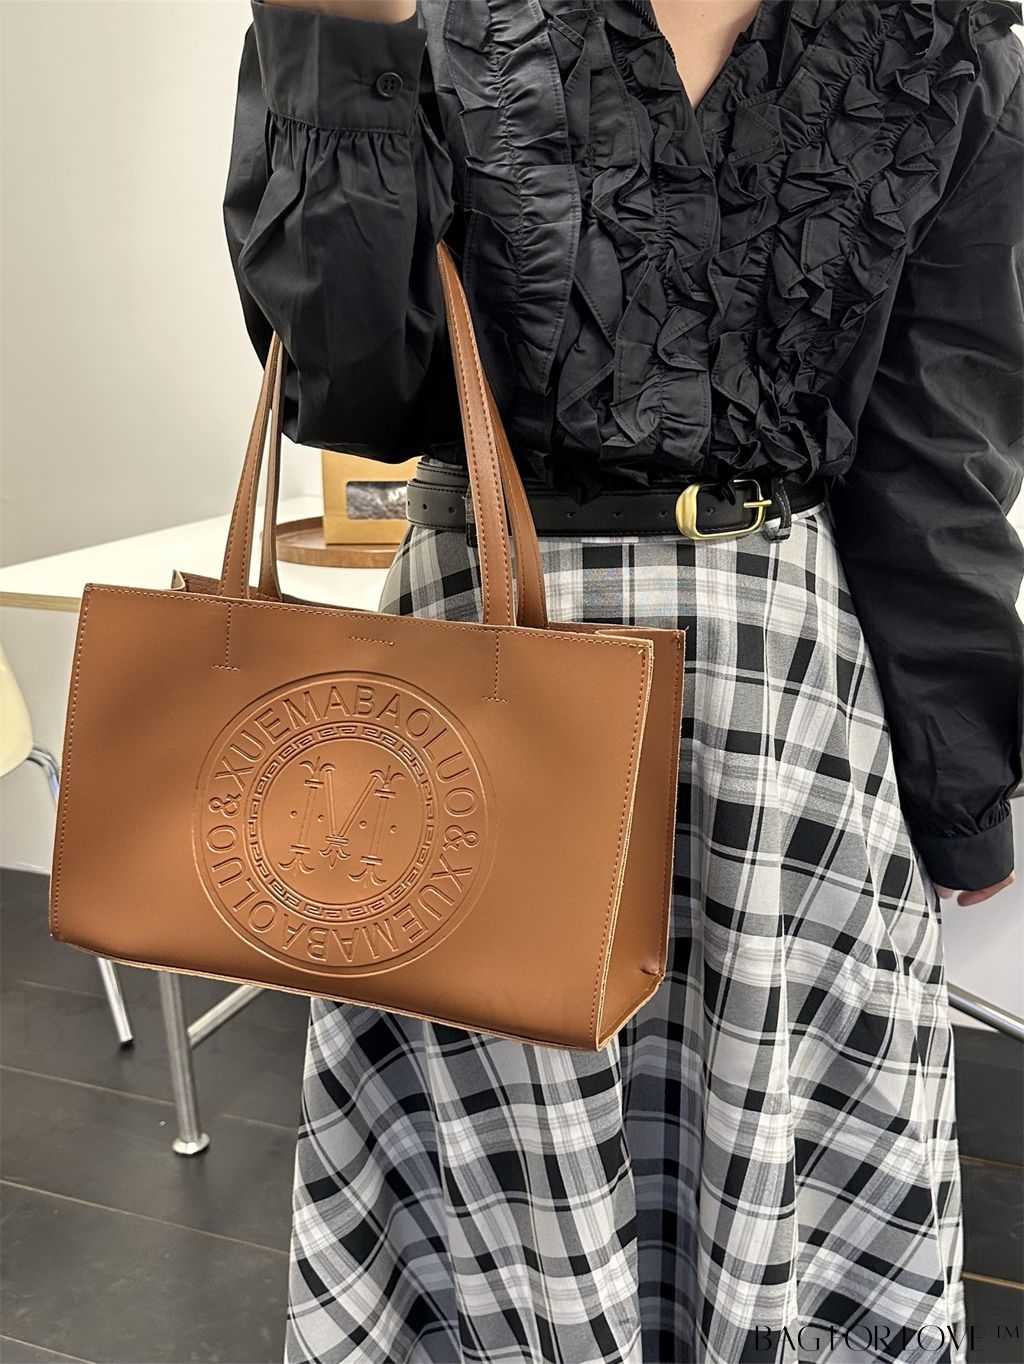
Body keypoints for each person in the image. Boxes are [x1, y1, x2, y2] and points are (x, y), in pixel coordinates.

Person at [223, 1, 1024, 1359]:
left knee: (769, 1161)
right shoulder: (412, 10)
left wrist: (958, 783)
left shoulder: (939, 39)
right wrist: (337, 35)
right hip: (480, 669)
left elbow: (934, 451)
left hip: (779, 700)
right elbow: (350, 394)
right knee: (496, 1181)